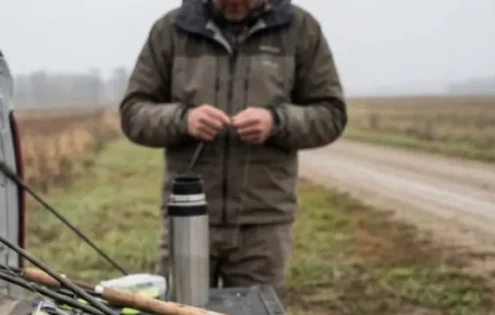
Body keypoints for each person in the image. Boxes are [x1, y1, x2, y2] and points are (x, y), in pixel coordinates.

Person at [119, 0, 347, 296]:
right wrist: (183, 120)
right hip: (187, 218)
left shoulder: (300, 29)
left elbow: (331, 114)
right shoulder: (171, 29)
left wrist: (276, 121)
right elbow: (133, 112)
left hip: (263, 223)